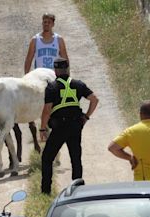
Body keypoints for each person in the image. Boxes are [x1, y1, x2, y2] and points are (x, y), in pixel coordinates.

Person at [39, 57, 98, 194]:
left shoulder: (51, 87)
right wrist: (86, 116)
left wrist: (42, 128)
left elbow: (47, 110)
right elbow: (94, 99)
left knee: (47, 157)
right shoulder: (78, 84)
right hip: (76, 125)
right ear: (68, 69)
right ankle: (77, 189)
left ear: (55, 71)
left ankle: (46, 190)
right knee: (76, 157)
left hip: (59, 126)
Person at [108, 100, 150, 180]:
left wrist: (130, 158)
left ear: (140, 115)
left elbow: (112, 148)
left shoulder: (132, 131)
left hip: (143, 182)